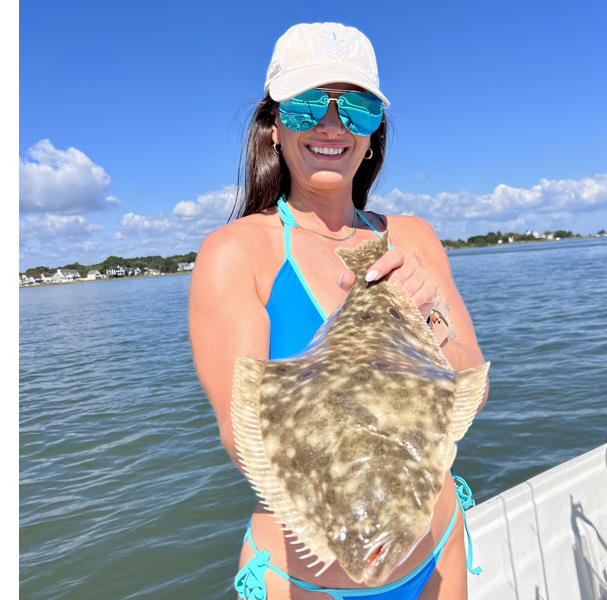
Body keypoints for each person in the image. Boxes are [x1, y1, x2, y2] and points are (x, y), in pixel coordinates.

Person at [188, 22, 488, 600]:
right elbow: (241, 432)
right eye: (306, 107)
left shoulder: (414, 237)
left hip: (438, 550)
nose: (332, 125)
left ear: (373, 132)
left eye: (356, 108)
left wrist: (428, 316)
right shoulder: (236, 253)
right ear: (273, 126)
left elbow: (471, 381)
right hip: (306, 579)